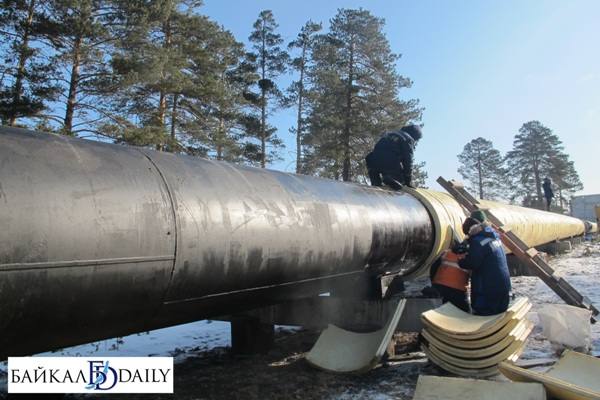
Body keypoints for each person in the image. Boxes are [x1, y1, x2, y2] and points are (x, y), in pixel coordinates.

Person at [458, 210, 511, 316]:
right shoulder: (494, 236)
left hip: (488, 294)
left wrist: (460, 260)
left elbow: (472, 263)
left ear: (474, 227)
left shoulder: (478, 242)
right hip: (503, 291)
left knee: (483, 316)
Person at [365, 125, 422, 190]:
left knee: (375, 171)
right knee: (401, 183)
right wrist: (408, 180)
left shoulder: (390, 134)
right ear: (415, 136)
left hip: (372, 160)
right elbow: (408, 161)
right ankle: (390, 178)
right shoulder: (408, 139)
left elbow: (378, 148)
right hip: (389, 162)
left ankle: (376, 182)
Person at [429, 237, 471, 312]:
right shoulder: (469, 257)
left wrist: (434, 282)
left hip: (439, 286)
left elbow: (433, 267)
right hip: (458, 290)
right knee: (463, 313)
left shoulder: (446, 253)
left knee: (440, 310)